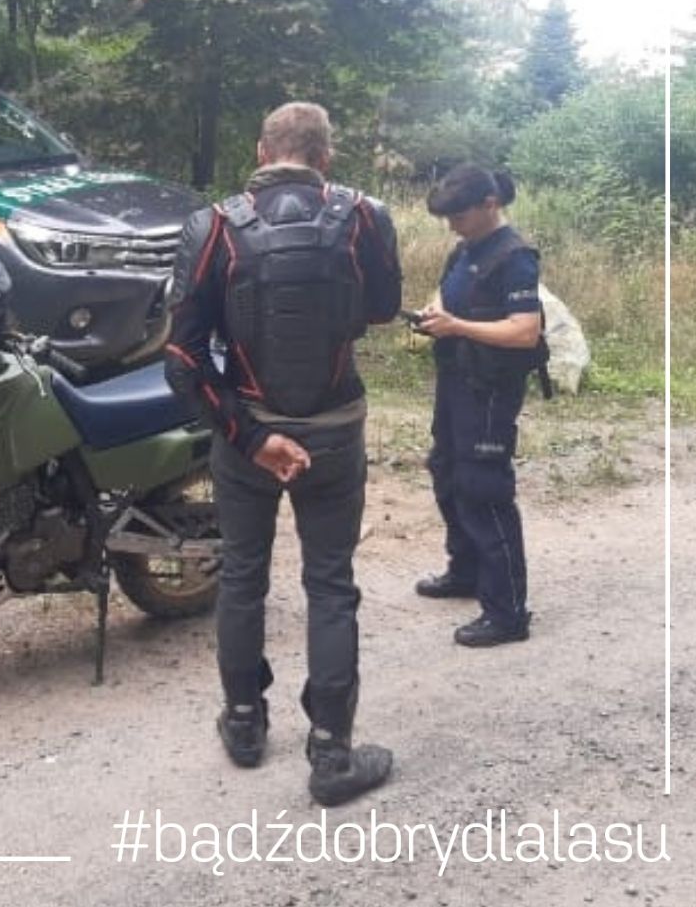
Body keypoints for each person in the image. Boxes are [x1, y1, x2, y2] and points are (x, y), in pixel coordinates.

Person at [165, 101, 401, 807]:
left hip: (248, 435)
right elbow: (384, 308)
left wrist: (254, 438)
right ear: (325, 157)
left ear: (262, 151)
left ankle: (243, 724)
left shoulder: (213, 225)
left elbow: (180, 358)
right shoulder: (366, 217)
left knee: (242, 577)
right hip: (334, 431)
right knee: (330, 584)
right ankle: (331, 753)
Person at [413, 163, 547, 648]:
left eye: (459, 216)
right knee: (446, 471)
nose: (452, 225)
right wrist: (435, 314)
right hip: (455, 380)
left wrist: (458, 328)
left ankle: (508, 612)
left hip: (490, 390)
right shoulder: (465, 249)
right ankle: (465, 571)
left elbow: (524, 330)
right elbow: (448, 296)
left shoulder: (515, 257)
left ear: (490, 205)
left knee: (483, 488)